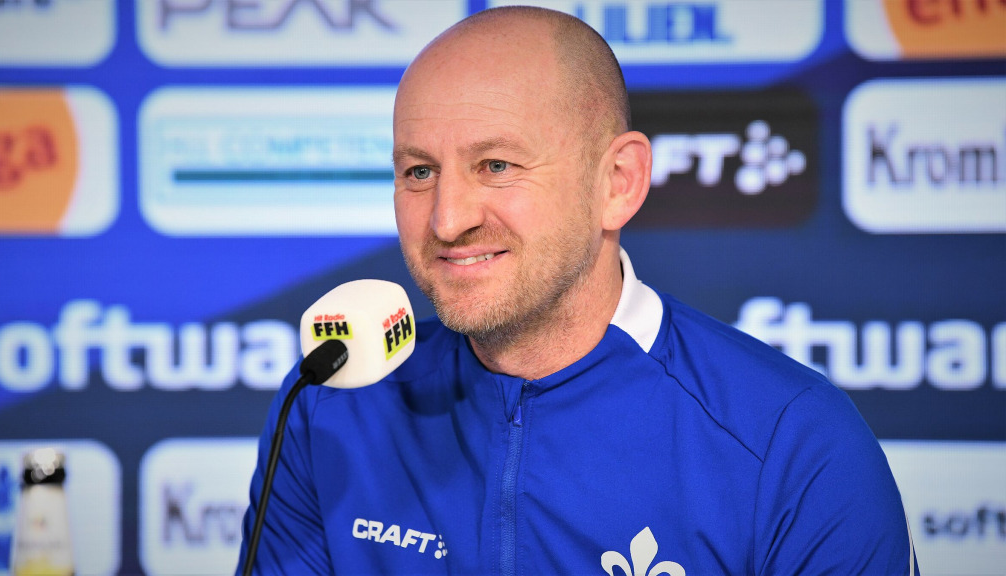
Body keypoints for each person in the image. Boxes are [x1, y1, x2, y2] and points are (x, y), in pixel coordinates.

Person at [238, 6, 918, 575]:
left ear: (617, 182)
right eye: (419, 172)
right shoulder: (330, 405)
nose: (446, 219)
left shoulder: (795, 446)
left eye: (496, 165)